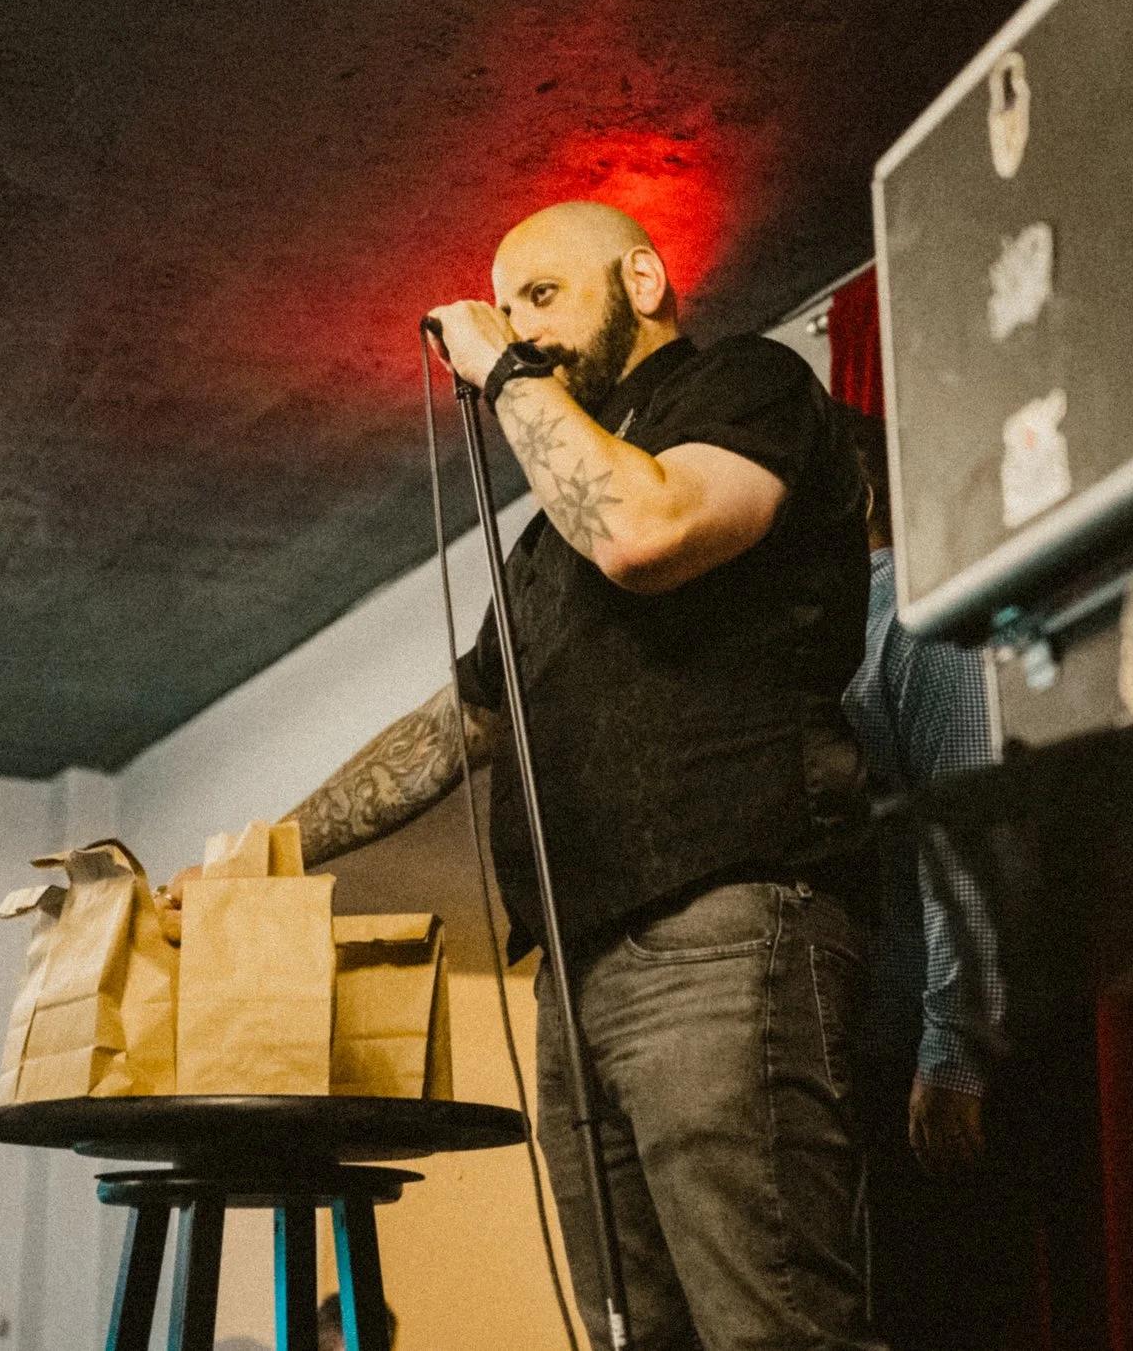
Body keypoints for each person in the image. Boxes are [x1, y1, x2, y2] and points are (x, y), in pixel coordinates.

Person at [179, 200, 882, 1351]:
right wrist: (263, 859)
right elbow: (455, 726)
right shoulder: (545, 539)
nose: (522, 328)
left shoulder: (745, 390)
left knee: (776, 1325)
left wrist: (502, 372)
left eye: (544, 296)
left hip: (723, 930)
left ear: (645, 281)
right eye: (506, 310)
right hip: (575, 961)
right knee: (630, 1330)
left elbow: (645, 533)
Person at [839, 407, 1019, 1351]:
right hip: (876, 1050)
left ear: (856, 495)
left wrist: (952, 1049)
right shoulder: (831, 627)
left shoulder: (911, 610)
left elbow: (969, 830)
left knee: (946, 1310)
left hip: (928, 1050)